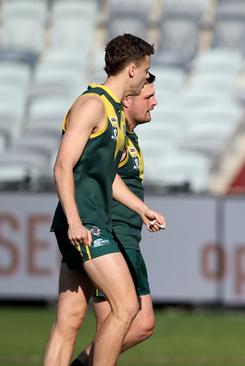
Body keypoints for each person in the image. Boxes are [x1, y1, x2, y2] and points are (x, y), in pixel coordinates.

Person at [44, 34, 165, 366]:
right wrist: (75, 221)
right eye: (145, 70)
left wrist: (141, 209)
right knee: (126, 306)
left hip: (88, 221)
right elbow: (62, 166)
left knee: (68, 321)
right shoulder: (92, 104)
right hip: (85, 223)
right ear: (130, 70)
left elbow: (105, 175)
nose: (146, 78)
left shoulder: (111, 111)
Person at [70, 73, 158, 366]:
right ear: (127, 100)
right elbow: (94, 172)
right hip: (112, 235)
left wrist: (142, 211)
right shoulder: (113, 134)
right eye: (148, 97)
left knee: (139, 323)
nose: (154, 102)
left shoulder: (129, 137)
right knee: (117, 319)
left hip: (129, 237)